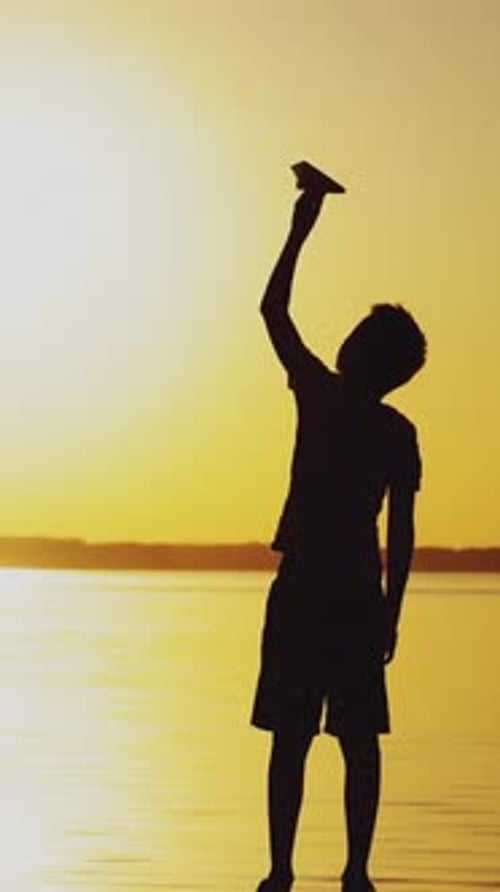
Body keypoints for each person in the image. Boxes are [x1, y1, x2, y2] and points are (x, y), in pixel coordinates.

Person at [251, 188, 426, 892]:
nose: (346, 340)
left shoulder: (325, 397)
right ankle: (346, 873)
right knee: (345, 742)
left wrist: (299, 231)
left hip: (317, 590)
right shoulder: (391, 429)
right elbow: (404, 536)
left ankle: (293, 872)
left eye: (358, 338)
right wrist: (392, 607)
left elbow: (272, 312)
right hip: (350, 593)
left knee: (313, 740)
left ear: (370, 359)